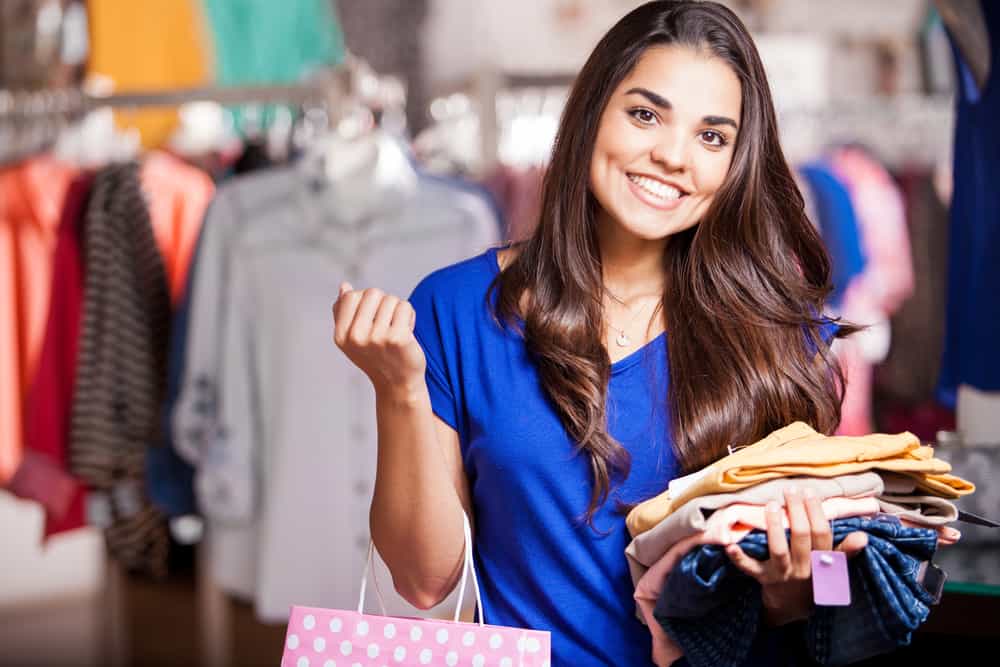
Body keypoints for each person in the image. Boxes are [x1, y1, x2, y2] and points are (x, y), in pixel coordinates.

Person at [333, 1, 866, 664]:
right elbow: (423, 581)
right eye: (645, 114)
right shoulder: (456, 308)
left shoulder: (784, 332)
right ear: (591, 114)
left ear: (737, 164)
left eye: (711, 137)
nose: (673, 155)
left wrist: (799, 584)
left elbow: (838, 592)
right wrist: (400, 393)